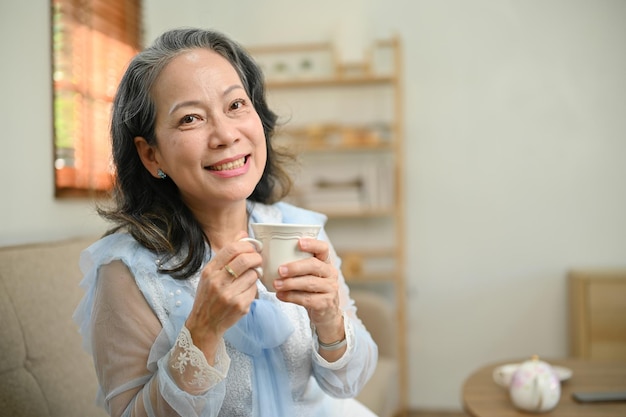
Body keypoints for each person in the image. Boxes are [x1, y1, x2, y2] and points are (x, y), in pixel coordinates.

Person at [73, 27, 379, 417]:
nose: (225, 135)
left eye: (235, 106)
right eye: (190, 119)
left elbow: (348, 383)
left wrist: (329, 318)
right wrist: (201, 332)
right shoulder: (126, 272)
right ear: (151, 155)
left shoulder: (297, 229)